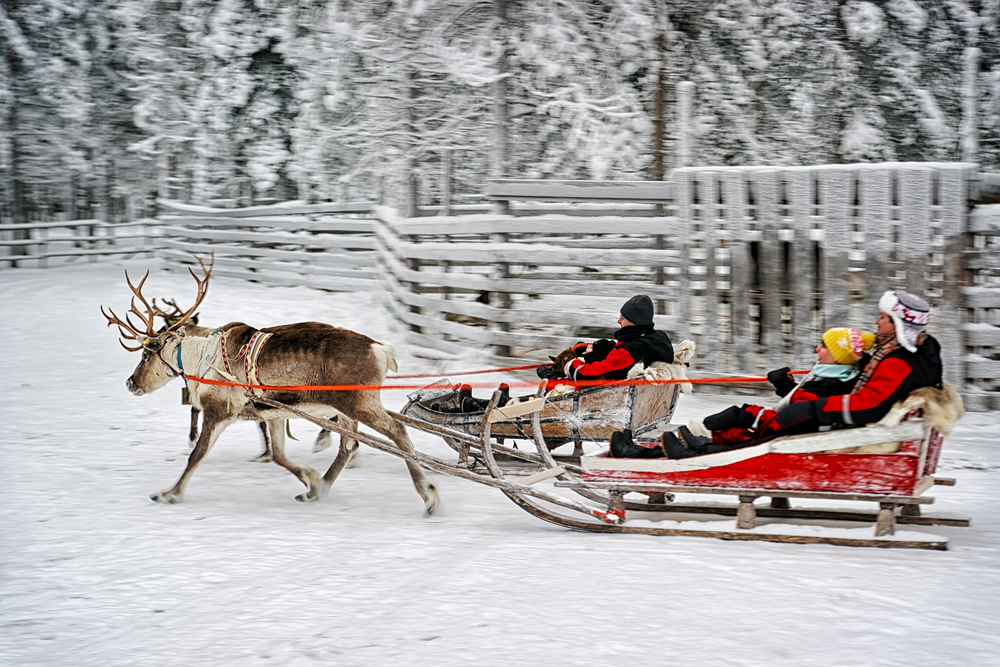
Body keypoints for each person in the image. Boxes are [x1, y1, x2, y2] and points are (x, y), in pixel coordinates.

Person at [658, 290, 942, 459]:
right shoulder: (893, 353)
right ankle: (702, 444)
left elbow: (868, 404)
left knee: (767, 440)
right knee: (760, 420)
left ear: (897, 325)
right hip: (848, 420)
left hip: (847, 428)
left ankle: (700, 452)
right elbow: (862, 381)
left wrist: (815, 407)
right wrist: (795, 391)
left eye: (883, 317)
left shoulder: (900, 361)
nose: (876, 321)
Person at [610, 326, 874, 458]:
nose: (817, 349)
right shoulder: (832, 374)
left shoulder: (835, 384)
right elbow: (802, 402)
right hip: (776, 427)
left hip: (777, 437)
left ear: (839, 357)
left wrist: (754, 416)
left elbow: (806, 412)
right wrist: (783, 386)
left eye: (824, 347)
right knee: (717, 429)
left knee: (718, 438)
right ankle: (639, 452)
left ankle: (649, 454)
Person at [536, 295, 674, 385]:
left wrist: (569, 364)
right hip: (625, 387)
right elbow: (619, 354)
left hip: (601, 396)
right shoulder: (654, 340)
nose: (618, 321)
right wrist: (597, 348)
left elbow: (588, 376)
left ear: (633, 322)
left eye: (622, 318)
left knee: (553, 385)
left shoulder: (631, 351)